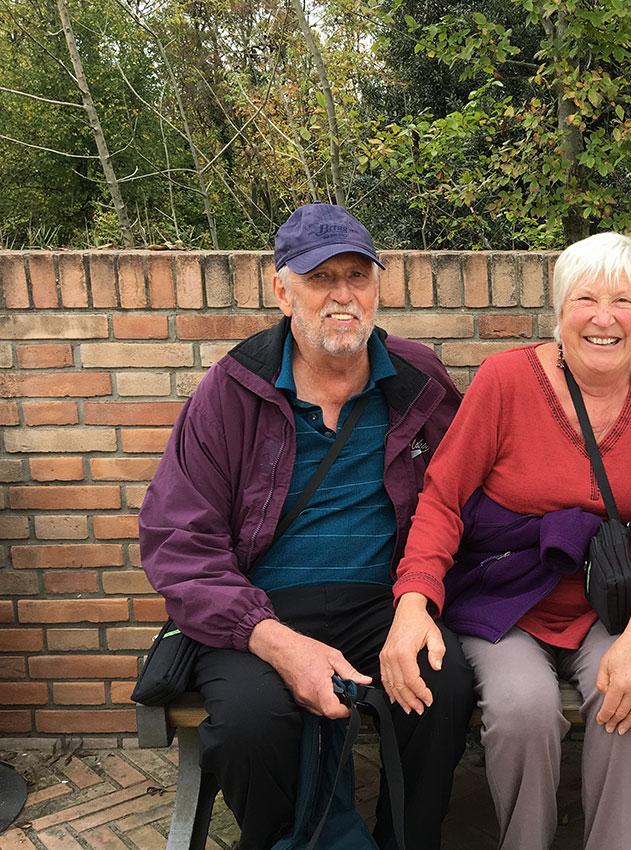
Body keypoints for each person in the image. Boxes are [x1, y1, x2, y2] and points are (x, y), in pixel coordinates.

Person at [138, 203, 475, 850]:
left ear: (377, 286)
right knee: (252, 722)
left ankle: (407, 839)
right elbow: (179, 541)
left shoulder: (419, 381)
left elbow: (458, 500)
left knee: (444, 683)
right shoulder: (232, 391)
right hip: (259, 610)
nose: (342, 295)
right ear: (282, 290)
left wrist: (419, 602)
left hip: (383, 602)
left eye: (357, 276)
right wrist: (276, 642)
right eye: (321, 278)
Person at [379, 232, 631, 850]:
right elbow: (442, 498)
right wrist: (413, 601)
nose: (604, 318)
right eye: (586, 299)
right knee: (522, 709)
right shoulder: (506, 379)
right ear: (559, 309)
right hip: (506, 597)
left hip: (605, 599)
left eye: (624, 301)